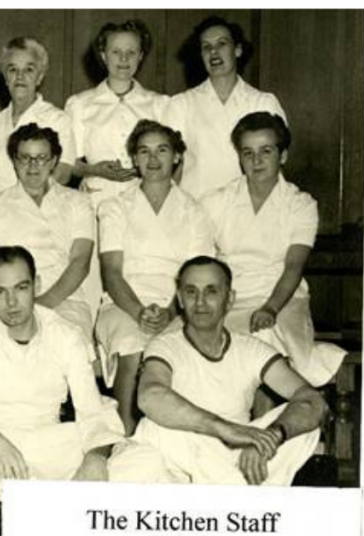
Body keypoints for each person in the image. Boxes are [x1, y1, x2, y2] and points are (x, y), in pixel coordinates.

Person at [0, 246, 124, 530]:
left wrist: (94, 458)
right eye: (1, 291)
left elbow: (91, 410)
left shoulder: (65, 334)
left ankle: (18, 509)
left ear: (36, 285)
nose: (12, 301)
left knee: (143, 460)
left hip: (51, 444)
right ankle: (68, 510)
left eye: (21, 287)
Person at [108, 256, 328, 485]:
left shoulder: (251, 348)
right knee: (146, 447)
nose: (200, 302)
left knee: (302, 425)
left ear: (230, 299)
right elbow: (150, 396)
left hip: (233, 454)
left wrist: (272, 437)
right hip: (180, 451)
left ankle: (224, 488)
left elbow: (313, 401)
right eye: (191, 292)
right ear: (180, 300)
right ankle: (234, 493)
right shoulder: (164, 345)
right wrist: (226, 430)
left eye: (211, 291)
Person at [200, 112, 345, 387]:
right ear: (239, 158)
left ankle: (271, 424)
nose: (256, 161)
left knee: (270, 338)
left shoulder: (300, 205)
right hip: (233, 298)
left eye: (266, 151)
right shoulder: (216, 202)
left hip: (283, 298)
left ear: (283, 155)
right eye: (248, 153)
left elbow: (293, 266)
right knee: (217, 355)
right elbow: (202, 263)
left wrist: (271, 307)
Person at [96, 119, 214, 435]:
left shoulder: (195, 211)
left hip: (180, 304)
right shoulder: (114, 207)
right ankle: (125, 438)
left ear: (176, 156)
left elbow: (198, 277)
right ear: (134, 159)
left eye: (162, 150)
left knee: (180, 349)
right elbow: (112, 273)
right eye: (144, 151)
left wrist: (172, 312)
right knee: (132, 343)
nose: (152, 159)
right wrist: (139, 313)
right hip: (123, 303)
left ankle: (172, 442)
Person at [0, 124, 96, 337]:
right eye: (25, 158)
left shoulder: (78, 202)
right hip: (3, 297)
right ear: (14, 161)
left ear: (54, 161)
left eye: (41, 158)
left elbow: (80, 263)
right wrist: (11, 302)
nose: (33, 166)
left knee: (65, 341)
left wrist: (41, 304)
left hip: (64, 299)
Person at [164, 16, 286, 199]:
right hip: (196, 211)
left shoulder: (263, 102)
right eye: (206, 47)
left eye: (221, 44)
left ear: (237, 50)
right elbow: (169, 166)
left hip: (247, 211)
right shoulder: (181, 104)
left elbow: (276, 167)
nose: (214, 52)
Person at [65, 19, 169, 207]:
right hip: (95, 200)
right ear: (104, 55)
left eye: (131, 52)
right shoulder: (80, 104)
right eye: (116, 52)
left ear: (140, 56)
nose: (124, 59)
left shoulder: (159, 104)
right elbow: (68, 164)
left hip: (146, 200)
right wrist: (95, 170)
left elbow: (171, 160)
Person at [0, 37, 74, 196]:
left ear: (39, 77)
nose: (20, 76)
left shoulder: (58, 120)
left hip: (40, 212)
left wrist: (23, 205)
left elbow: (63, 172)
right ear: (5, 78)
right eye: (12, 70)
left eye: (29, 70)